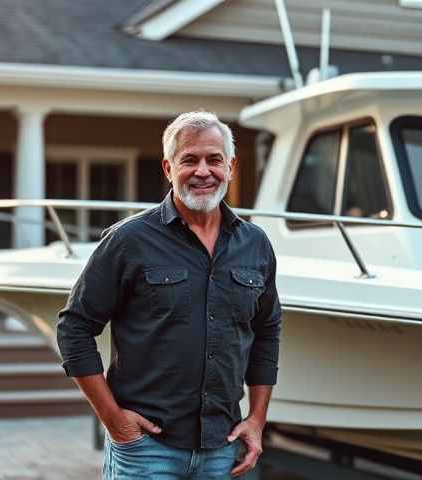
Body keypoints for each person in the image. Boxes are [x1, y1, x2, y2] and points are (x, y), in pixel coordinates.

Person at [56, 111, 282, 479]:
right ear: (168, 168)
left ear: (231, 166)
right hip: (146, 451)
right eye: (189, 160)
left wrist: (256, 419)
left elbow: (267, 331)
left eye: (214, 160)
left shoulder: (255, 245)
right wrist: (114, 421)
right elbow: (74, 328)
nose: (203, 171)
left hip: (222, 449)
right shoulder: (129, 240)